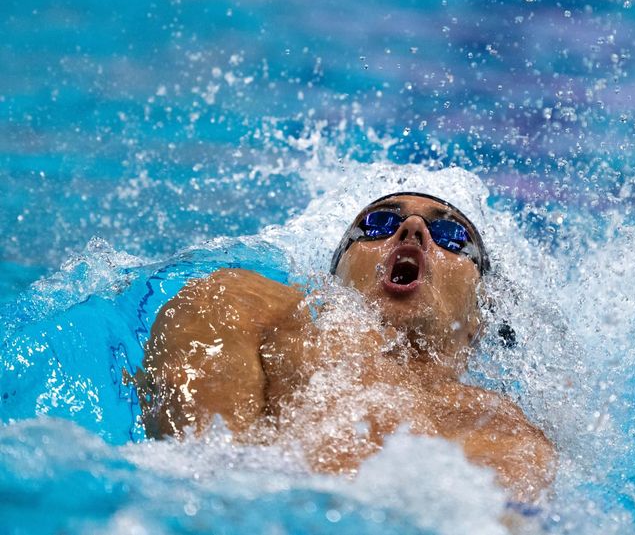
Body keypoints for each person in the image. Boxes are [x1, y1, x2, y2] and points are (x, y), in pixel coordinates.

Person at [137, 192, 555, 501]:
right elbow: (199, 472)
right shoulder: (243, 303)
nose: (413, 230)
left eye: (449, 235)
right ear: (334, 279)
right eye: (378, 224)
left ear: (479, 318)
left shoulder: (505, 430)